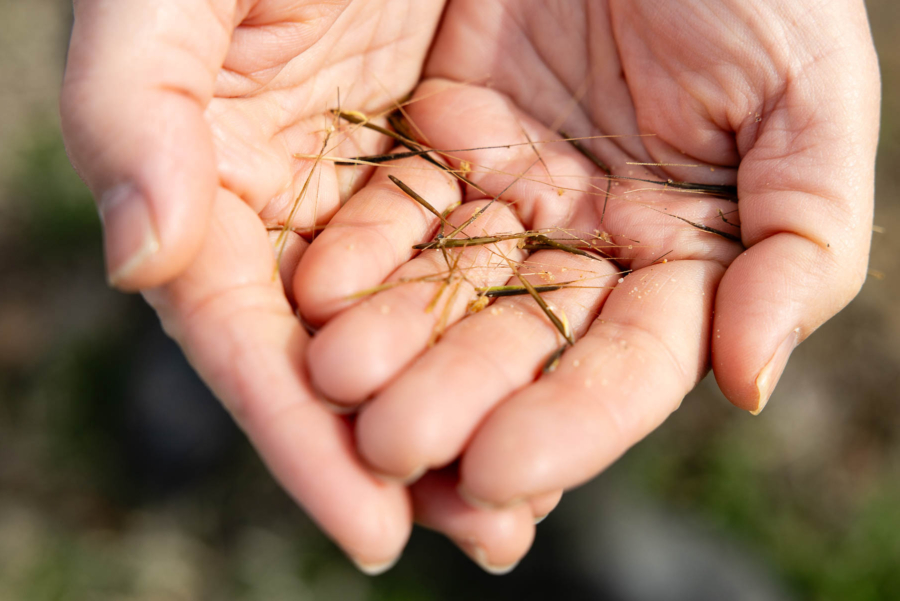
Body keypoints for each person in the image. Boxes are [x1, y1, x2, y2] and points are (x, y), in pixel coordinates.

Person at [60, 0, 881, 575]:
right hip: (292, 92)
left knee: (591, 331)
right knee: (201, 141)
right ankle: (173, 326)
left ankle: (552, 503)